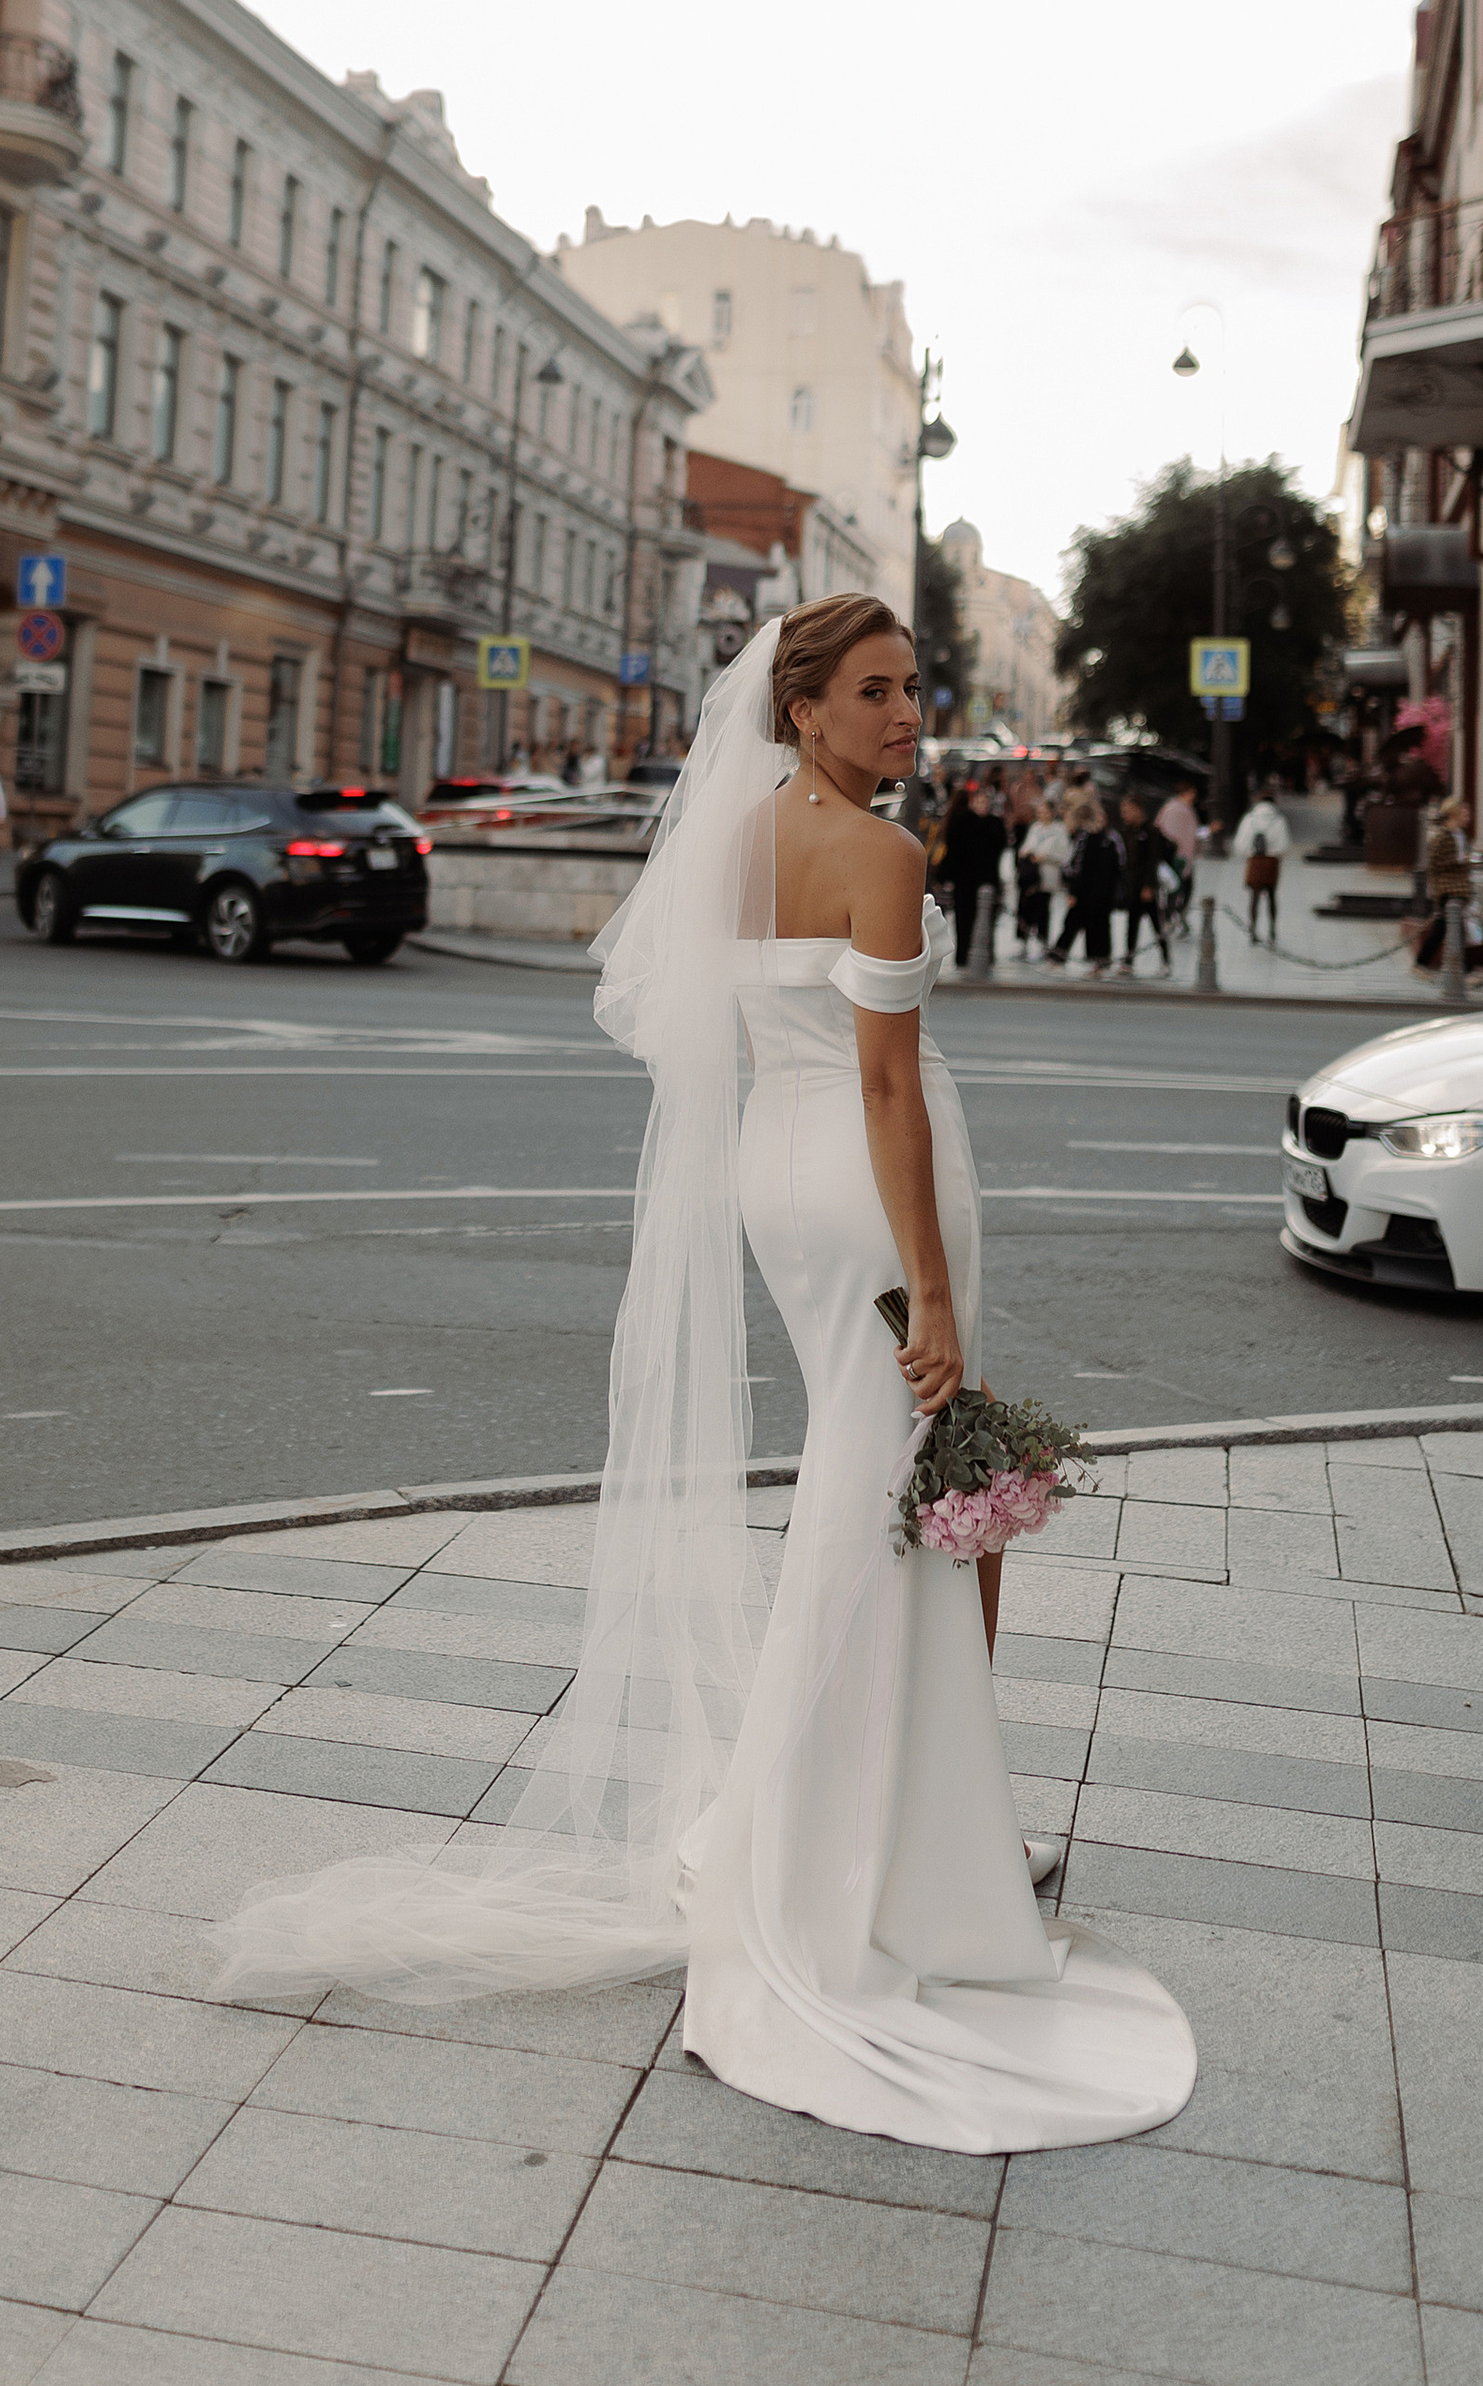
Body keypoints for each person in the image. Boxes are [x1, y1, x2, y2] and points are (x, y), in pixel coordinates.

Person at [209, 596, 1196, 2155]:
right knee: (891, 1497)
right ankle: (844, 1859)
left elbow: (718, 1034)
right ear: (800, 708)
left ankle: (919, 1824)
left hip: (774, 1178)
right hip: (877, 1192)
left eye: (913, 687)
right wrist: (929, 1282)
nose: (906, 714)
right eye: (873, 692)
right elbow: (886, 1084)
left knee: (888, 1485)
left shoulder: (734, 843)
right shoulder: (883, 857)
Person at [942, 777, 1008, 970]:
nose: (982, 806)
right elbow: (953, 849)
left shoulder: (995, 823)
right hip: (965, 878)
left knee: (987, 917)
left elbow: (1000, 845)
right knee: (964, 916)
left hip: (987, 877)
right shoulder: (962, 821)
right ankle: (962, 955)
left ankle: (987, 954)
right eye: (979, 802)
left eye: (985, 802)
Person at [1053, 796, 1121, 970]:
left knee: (1100, 928)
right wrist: (1072, 890)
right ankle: (1058, 957)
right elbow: (1073, 865)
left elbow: (1120, 866)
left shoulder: (1112, 839)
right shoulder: (1083, 838)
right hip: (1082, 892)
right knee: (1071, 924)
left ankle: (1099, 961)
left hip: (1103, 894)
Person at [1417, 797, 1476, 975]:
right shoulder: (1442, 836)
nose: (1469, 816)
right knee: (1453, 930)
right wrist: (1461, 861)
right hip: (1448, 890)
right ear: (1454, 813)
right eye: (1464, 812)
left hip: (1459, 888)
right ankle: (1461, 970)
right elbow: (1434, 863)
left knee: (1445, 929)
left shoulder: (1461, 835)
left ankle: (1423, 963)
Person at [1230, 779, 1290, 942]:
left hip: (1255, 861)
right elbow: (1284, 845)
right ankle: (1272, 930)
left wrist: (1249, 853)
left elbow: (1240, 843)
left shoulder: (1250, 819)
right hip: (1271, 861)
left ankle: (1253, 930)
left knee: (1254, 898)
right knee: (1271, 897)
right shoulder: (1279, 819)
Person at [1118, 796, 1171, 973]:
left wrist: (1149, 885)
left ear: (1138, 809)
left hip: (1146, 887)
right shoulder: (1126, 831)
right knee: (1131, 924)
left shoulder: (1151, 832)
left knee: (1157, 924)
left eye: (1127, 810)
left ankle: (1166, 961)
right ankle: (1128, 961)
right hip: (1132, 885)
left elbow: (1152, 860)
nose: (1124, 814)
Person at [1015, 796, 1071, 958]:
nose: (1043, 814)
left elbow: (1064, 854)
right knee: (1025, 909)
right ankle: (1022, 941)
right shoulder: (1035, 828)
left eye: (1045, 811)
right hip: (1031, 877)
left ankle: (1042, 942)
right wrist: (1030, 854)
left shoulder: (1059, 829)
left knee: (1042, 911)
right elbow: (1024, 847)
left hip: (1047, 876)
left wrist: (1045, 856)